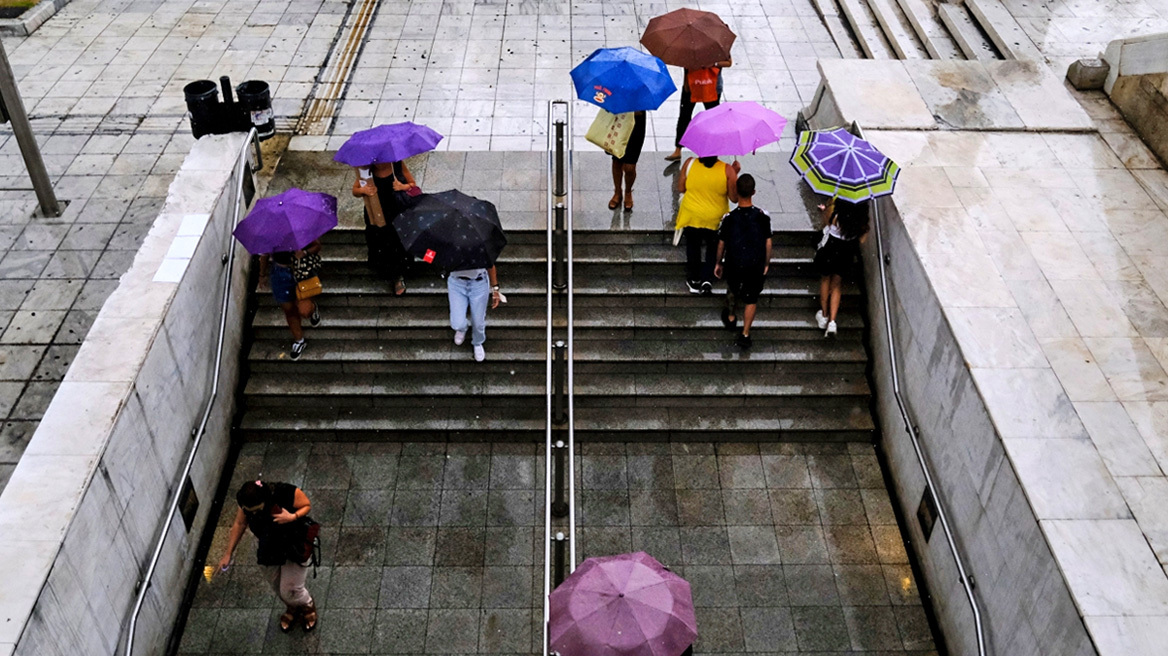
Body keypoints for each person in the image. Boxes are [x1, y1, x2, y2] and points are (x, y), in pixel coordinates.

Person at [217, 480, 317, 632]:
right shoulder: (245, 501)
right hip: (268, 546)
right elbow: (240, 523)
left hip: (292, 543)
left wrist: (292, 516)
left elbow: (306, 505)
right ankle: (293, 606)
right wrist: (228, 553)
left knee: (291, 589)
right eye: (250, 511)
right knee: (276, 586)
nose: (253, 514)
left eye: (257, 510)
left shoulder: (284, 492)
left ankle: (307, 605)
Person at [714, 174, 772, 349]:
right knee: (751, 298)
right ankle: (745, 333)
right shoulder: (762, 217)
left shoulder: (729, 219)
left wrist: (718, 262)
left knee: (732, 288)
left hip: (734, 262)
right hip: (755, 263)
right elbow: (768, 242)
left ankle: (731, 316)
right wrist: (767, 263)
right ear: (753, 192)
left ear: (736, 192)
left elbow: (721, 243)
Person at [676, 155, 739, 295]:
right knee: (713, 247)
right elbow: (734, 198)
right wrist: (735, 173)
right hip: (714, 219)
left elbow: (680, 187)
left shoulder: (689, 163)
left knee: (693, 246)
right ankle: (707, 279)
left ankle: (694, 279)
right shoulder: (727, 170)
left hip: (692, 215)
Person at [353, 160, 418, 296]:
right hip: (376, 213)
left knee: (397, 242)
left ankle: (398, 275)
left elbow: (413, 185)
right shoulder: (366, 169)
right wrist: (363, 190)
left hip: (396, 211)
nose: (379, 164)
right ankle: (384, 270)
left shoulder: (397, 165)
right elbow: (355, 190)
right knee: (380, 241)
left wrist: (402, 186)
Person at [815, 199, 870, 338]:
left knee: (825, 280)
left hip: (830, 251)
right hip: (847, 253)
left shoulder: (835, 215)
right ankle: (832, 322)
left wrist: (826, 207)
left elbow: (825, 223)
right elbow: (862, 240)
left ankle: (824, 315)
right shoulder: (861, 222)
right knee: (837, 285)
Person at [259, 240, 322, 361]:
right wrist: (262, 275)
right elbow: (264, 255)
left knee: (305, 311)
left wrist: (304, 252)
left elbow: (317, 246)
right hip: (279, 274)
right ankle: (299, 340)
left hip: (301, 270)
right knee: (289, 309)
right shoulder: (270, 233)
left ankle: (313, 308)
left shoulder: (300, 227)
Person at [665, 57, 731, 162]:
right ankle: (678, 149)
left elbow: (728, 62)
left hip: (712, 86)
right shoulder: (690, 44)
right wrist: (685, 83)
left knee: (712, 119)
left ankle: (713, 152)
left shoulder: (719, 44)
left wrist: (712, 63)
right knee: (684, 116)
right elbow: (685, 65)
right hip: (692, 84)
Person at [448, 264, 502, 362]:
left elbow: (490, 264)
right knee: (457, 323)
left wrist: (495, 289)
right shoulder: (451, 248)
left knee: (478, 322)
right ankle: (462, 328)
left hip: (479, 282)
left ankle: (477, 342)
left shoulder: (480, 248)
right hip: (456, 283)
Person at [609, 111, 646, 211]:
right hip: (618, 121)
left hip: (636, 125)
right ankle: (617, 191)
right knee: (616, 161)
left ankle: (628, 192)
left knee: (630, 167)